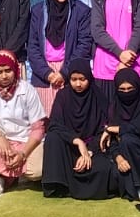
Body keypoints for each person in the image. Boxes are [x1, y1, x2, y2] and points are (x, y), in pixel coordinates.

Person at [0, 51, 46, 197]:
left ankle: (9, 176)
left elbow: (38, 128)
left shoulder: (27, 89)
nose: (4, 76)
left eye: (8, 70)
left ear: (15, 69)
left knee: (37, 171)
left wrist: (23, 154)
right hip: (0, 142)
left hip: (25, 141)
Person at [39, 58, 115, 199]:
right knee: (52, 137)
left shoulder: (98, 97)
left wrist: (89, 152)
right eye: (74, 79)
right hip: (69, 147)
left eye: (82, 79)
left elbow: (104, 129)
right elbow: (55, 124)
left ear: (89, 78)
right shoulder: (63, 96)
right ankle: (59, 186)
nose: (78, 84)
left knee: (104, 168)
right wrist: (77, 141)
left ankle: (78, 186)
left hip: (93, 149)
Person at [28, 0, 93, 113]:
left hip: (70, 73)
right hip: (44, 76)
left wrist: (64, 73)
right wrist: (47, 73)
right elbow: (32, 46)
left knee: (69, 116)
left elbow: (84, 45)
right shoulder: (38, 11)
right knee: (44, 118)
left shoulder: (81, 12)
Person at [103, 66, 140, 204]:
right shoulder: (115, 106)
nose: (126, 93)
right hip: (124, 154)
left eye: (130, 89)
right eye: (122, 90)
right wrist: (118, 158)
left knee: (128, 140)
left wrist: (115, 129)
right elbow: (111, 141)